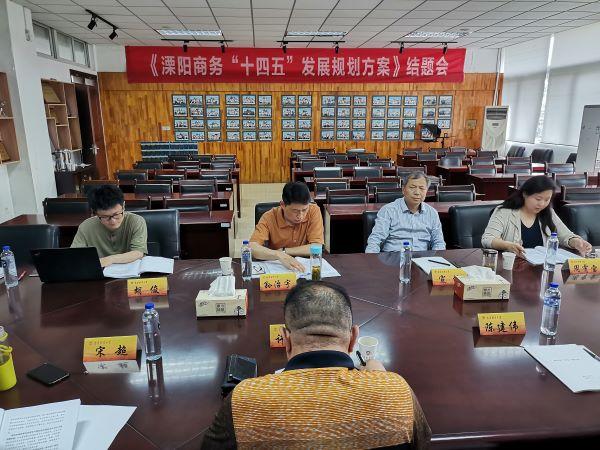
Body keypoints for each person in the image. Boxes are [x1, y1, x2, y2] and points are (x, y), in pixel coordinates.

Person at [202, 281, 431, 449]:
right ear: (353, 338)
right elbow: (422, 442)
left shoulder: (245, 400)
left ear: (286, 340)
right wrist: (383, 381)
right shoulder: (396, 392)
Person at [481, 175, 592, 257]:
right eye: (538, 199)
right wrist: (507, 245)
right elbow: (487, 239)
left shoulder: (549, 212)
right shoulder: (504, 212)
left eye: (547, 200)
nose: (542, 204)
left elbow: (565, 236)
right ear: (525, 194)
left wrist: (576, 242)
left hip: (540, 268)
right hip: (512, 266)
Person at [250, 182, 324, 271]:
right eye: (295, 211)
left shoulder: (314, 210)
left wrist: (284, 251)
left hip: (305, 267)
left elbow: (317, 247)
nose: (300, 216)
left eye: (304, 210)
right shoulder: (269, 217)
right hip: (278, 267)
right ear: (282, 205)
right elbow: (252, 247)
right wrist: (278, 254)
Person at [366, 172, 446, 253]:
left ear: (426, 191)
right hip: (393, 257)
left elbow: (439, 242)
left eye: (422, 188)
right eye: (412, 187)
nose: (417, 192)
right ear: (403, 189)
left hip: (422, 257)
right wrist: (371, 259)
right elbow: (375, 240)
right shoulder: (388, 210)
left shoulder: (432, 213)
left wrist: (437, 258)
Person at [71, 185, 147, 267]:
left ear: (123, 206)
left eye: (116, 214)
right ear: (95, 213)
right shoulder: (86, 227)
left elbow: (138, 252)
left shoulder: (136, 221)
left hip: (130, 270)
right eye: (105, 217)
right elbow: (75, 255)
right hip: (100, 272)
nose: (113, 221)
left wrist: (109, 260)